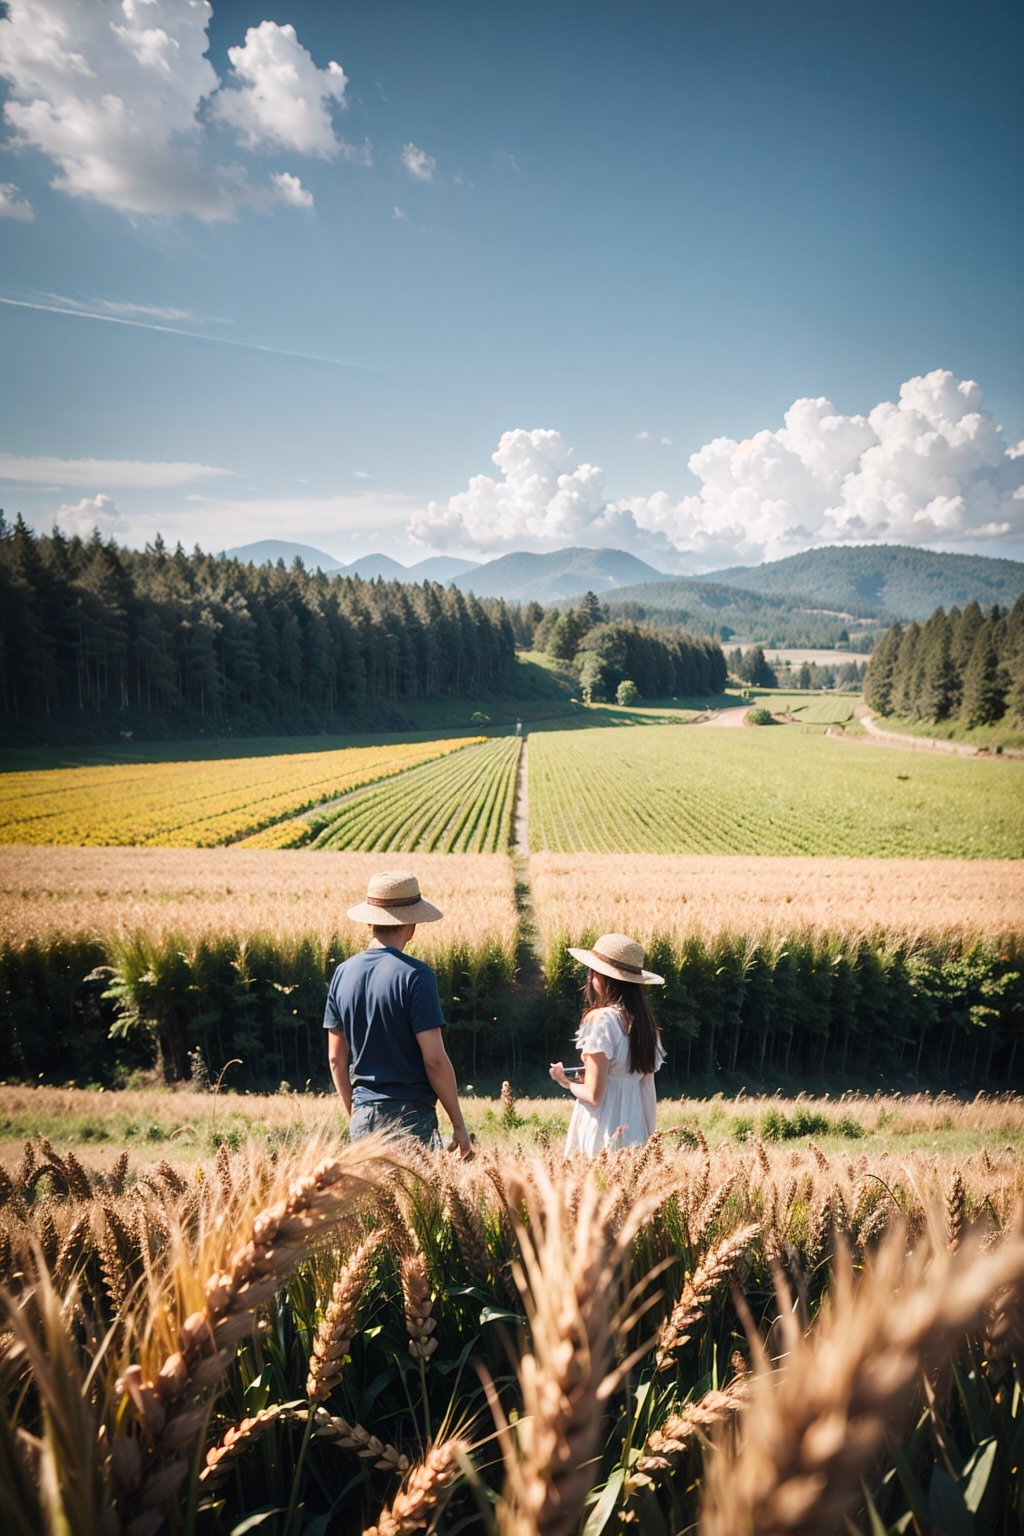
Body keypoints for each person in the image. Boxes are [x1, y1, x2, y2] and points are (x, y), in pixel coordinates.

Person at [324, 869, 472, 1157]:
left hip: (363, 1114)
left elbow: (335, 1059)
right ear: (412, 925)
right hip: (410, 1115)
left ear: (371, 921)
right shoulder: (416, 975)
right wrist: (458, 1123)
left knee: (371, 1202)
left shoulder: (342, 973)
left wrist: (355, 1112)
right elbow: (435, 1060)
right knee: (414, 1201)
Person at [549, 932, 665, 1154]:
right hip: (635, 1130)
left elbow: (594, 1095)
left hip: (601, 1127)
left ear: (601, 977)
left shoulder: (601, 1020)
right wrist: (650, 1140)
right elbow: (647, 1090)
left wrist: (564, 1081)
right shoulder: (647, 1027)